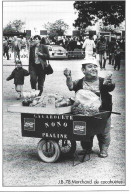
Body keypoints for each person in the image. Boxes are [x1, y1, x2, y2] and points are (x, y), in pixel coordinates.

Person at [64, 58, 115, 158]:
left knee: (104, 131)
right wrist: (68, 77)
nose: (93, 69)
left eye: (95, 66)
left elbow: (111, 87)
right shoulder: (79, 82)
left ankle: (104, 149)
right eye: (90, 66)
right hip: (85, 112)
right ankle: (87, 148)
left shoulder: (103, 81)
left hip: (102, 111)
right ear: (83, 70)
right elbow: (70, 86)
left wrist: (110, 82)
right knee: (86, 130)